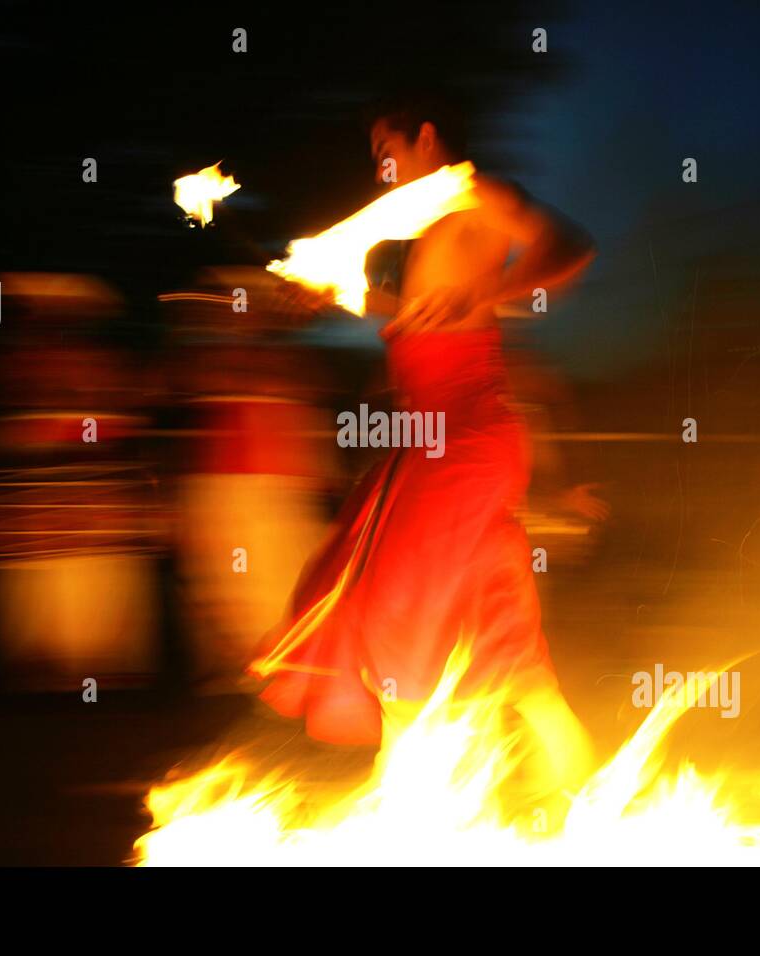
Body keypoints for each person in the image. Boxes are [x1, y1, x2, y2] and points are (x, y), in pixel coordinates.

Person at [251, 92, 597, 797]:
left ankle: (402, 805)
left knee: (394, 605)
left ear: (426, 136)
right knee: (505, 642)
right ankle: (590, 802)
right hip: (433, 438)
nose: (379, 166)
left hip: (466, 436)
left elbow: (569, 250)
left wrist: (491, 293)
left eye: (386, 149)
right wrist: (332, 294)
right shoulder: (420, 224)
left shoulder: (473, 194)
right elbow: (410, 314)